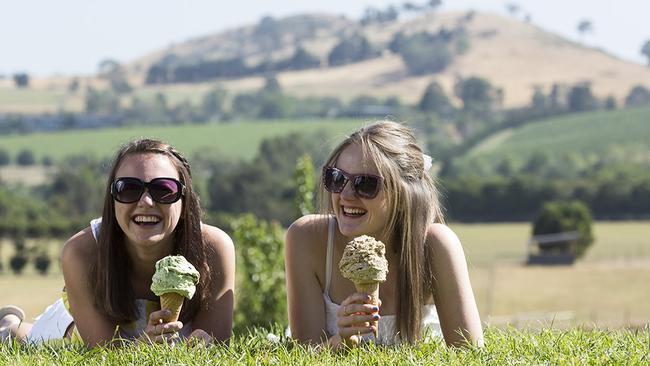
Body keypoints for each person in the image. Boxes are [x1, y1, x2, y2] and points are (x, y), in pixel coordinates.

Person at [0, 138, 235, 347]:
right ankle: (9, 325)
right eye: (128, 188)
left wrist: (204, 343)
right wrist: (143, 347)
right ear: (112, 202)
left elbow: (216, 341)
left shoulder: (213, 249)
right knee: (35, 341)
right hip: (80, 328)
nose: (146, 201)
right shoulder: (81, 252)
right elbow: (102, 354)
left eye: (163, 189)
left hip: (170, 338)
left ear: (184, 201)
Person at [285, 121, 483, 349]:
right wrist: (344, 341)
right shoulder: (308, 239)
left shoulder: (435, 245)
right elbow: (303, 354)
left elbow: (470, 352)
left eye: (366, 184)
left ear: (403, 196)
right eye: (337, 178)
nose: (346, 194)